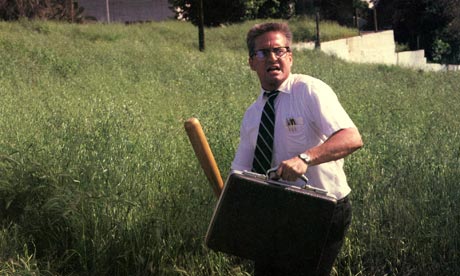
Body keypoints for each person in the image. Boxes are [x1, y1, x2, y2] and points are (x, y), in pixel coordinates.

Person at [231, 22, 363, 275]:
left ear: (290, 57)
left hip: (322, 209)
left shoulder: (309, 91)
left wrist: (306, 158)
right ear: (251, 63)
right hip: (277, 213)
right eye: (263, 53)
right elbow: (240, 172)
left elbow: (351, 137)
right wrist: (231, 206)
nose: (272, 57)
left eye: (279, 51)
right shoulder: (252, 115)